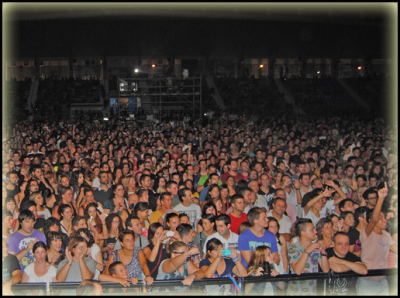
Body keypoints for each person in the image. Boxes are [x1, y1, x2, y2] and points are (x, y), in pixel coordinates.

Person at [357, 183, 397, 295]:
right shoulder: (366, 233)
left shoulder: (386, 235)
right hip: (368, 282)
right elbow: (374, 219)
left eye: (384, 217)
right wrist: (381, 198)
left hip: (382, 281)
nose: (384, 220)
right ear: (370, 221)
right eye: (381, 218)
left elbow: (395, 249)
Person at [287, 218, 330, 295]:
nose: (316, 232)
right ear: (303, 233)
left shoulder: (315, 247)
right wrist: (306, 251)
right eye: (312, 229)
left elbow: (326, 270)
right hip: (295, 291)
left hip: (311, 291)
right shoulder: (293, 248)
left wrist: (323, 253)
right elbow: (298, 271)